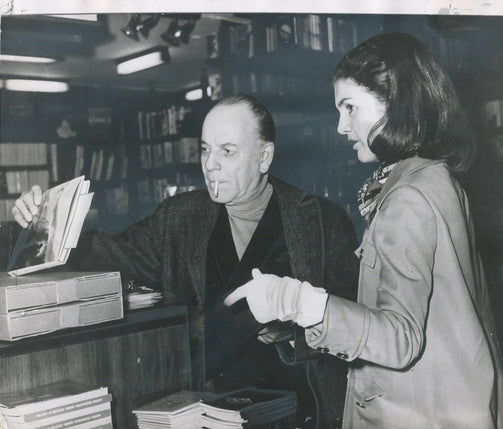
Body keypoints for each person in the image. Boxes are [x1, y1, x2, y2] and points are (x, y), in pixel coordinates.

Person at [12, 94, 359, 429]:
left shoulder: (320, 222)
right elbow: (106, 252)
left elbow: (357, 321)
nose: (210, 164)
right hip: (200, 409)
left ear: (264, 157)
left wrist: (296, 329)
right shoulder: (180, 218)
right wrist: (40, 225)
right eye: (205, 149)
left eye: (227, 151)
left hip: (297, 409)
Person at [225, 33, 503, 429]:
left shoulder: (408, 198)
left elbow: (400, 338)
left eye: (350, 107)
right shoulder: (436, 179)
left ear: (396, 103)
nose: (341, 126)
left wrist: (294, 300)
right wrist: (300, 325)